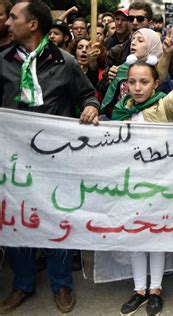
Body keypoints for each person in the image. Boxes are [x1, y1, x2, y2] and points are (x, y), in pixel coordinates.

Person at [0, 0, 99, 313]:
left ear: (32, 25)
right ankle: (22, 283)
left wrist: (91, 107)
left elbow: (87, 94)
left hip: (56, 161)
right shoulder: (2, 61)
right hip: (13, 162)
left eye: (14, 17)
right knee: (17, 220)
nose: (7, 22)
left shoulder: (65, 62)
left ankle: (61, 284)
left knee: (57, 218)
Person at [113, 21, 173, 316]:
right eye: (133, 82)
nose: (138, 87)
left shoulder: (163, 108)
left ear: (155, 84)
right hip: (128, 185)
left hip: (160, 185)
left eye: (145, 82)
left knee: (157, 236)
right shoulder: (119, 111)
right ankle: (139, 289)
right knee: (137, 238)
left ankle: (155, 291)